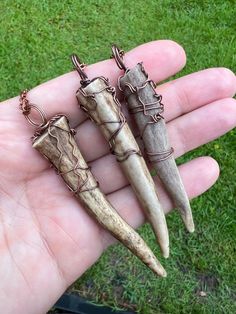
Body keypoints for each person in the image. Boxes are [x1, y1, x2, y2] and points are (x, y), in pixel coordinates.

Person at [0, 40, 235, 314]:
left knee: (145, 168)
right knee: (120, 196)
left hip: (116, 116)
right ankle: (165, 239)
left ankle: (181, 219)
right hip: (97, 134)